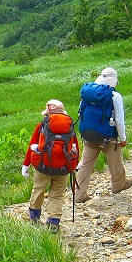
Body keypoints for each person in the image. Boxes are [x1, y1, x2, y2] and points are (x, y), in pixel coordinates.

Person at [73, 67, 132, 203]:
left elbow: (79, 113)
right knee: (115, 160)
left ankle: (79, 194)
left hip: (88, 134)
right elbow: (119, 119)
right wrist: (123, 138)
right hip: (108, 135)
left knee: (86, 164)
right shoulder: (114, 96)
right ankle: (118, 185)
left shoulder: (87, 93)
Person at [22, 99, 79, 231]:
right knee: (57, 194)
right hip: (63, 168)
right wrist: (73, 166)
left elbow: (31, 146)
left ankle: (34, 217)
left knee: (38, 189)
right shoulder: (69, 127)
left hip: (43, 166)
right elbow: (75, 148)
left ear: (47, 114)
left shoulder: (42, 126)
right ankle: (54, 221)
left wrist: (26, 165)